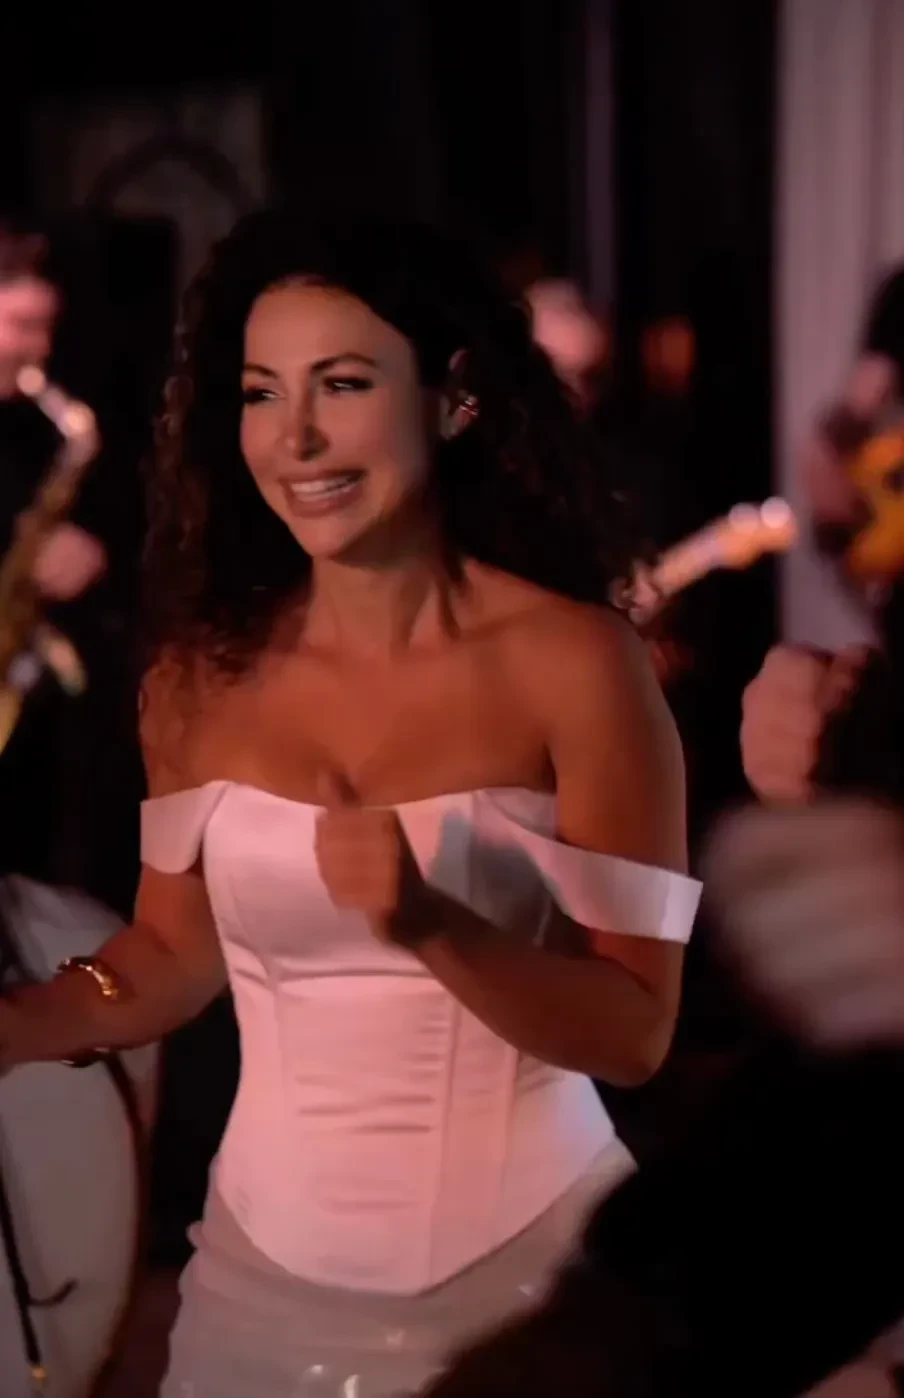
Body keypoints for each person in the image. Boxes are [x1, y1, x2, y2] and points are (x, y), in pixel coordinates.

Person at [0, 208, 698, 1397]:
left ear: (453, 396)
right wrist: (23, 1024)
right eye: (261, 393)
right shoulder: (198, 680)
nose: (297, 438)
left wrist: (435, 927)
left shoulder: (577, 664)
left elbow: (635, 1033)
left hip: (532, 1295)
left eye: (342, 384)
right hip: (253, 1298)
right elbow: (168, 956)